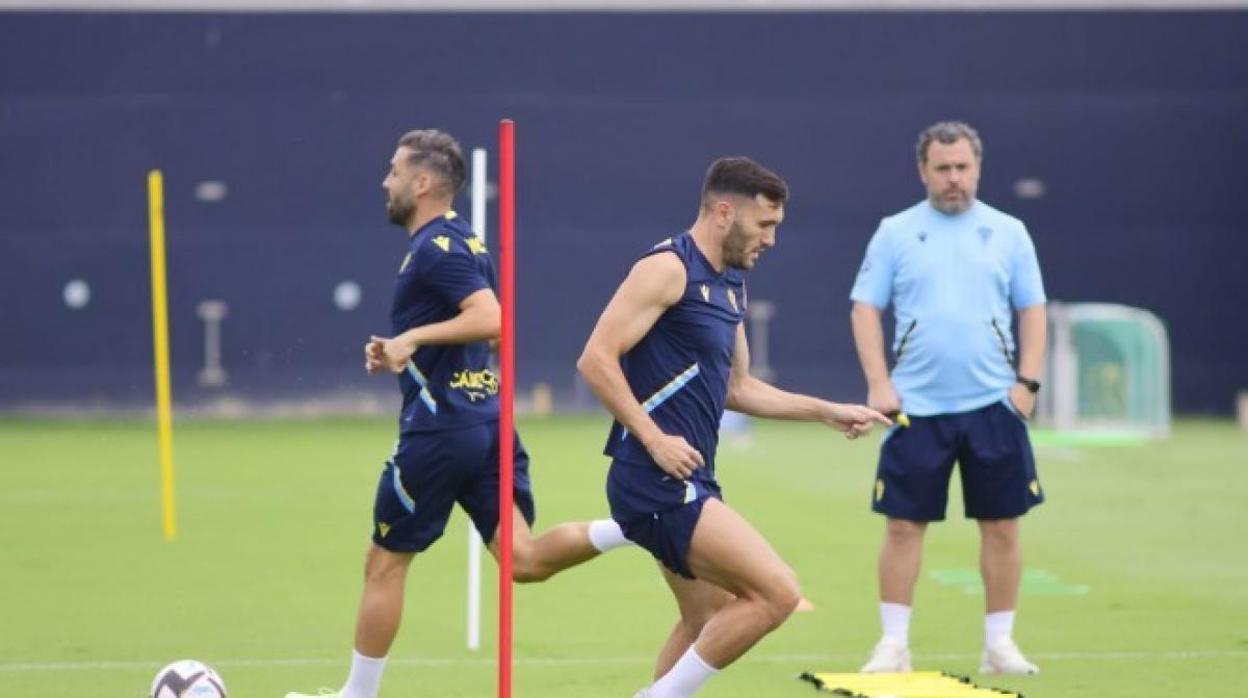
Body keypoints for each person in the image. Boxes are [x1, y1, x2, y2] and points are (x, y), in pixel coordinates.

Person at [286, 129, 631, 698]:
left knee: (384, 562)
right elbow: (482, 337)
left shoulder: (434, 251)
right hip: (487, 421)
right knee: (523, 559)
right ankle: (631, 527)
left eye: (394, 171)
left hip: (441, 430)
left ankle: (356, 696)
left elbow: (493, 320)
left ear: (422, 183)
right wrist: (406, 347)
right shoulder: (467, 244)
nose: (385, 181)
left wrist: (412, 336)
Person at [577, 156, 890, 698]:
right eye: (764, 225)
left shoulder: (731, 286)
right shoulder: (667, 268)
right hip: (654, 478)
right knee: (777, 593)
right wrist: (653, 437)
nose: (771, 239)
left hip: (688, 476)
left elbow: (738, 390)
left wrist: (828, 411)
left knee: (706, 618)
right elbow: (595, 360)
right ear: (724, 212)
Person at [850, 121, 1047, 675]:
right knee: (901, 526)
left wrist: (1026, 384)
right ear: (923, 171)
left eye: (963, 167)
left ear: (977, 168)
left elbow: (1032, 309)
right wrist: (879, 384)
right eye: (943, 168)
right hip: (915, 407)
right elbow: (865, 307)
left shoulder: (1009, 232)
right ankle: (893, 644)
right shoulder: (895, 232)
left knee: (1004, 525)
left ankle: (999, 645)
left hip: (993, 405)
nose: (954, 178)